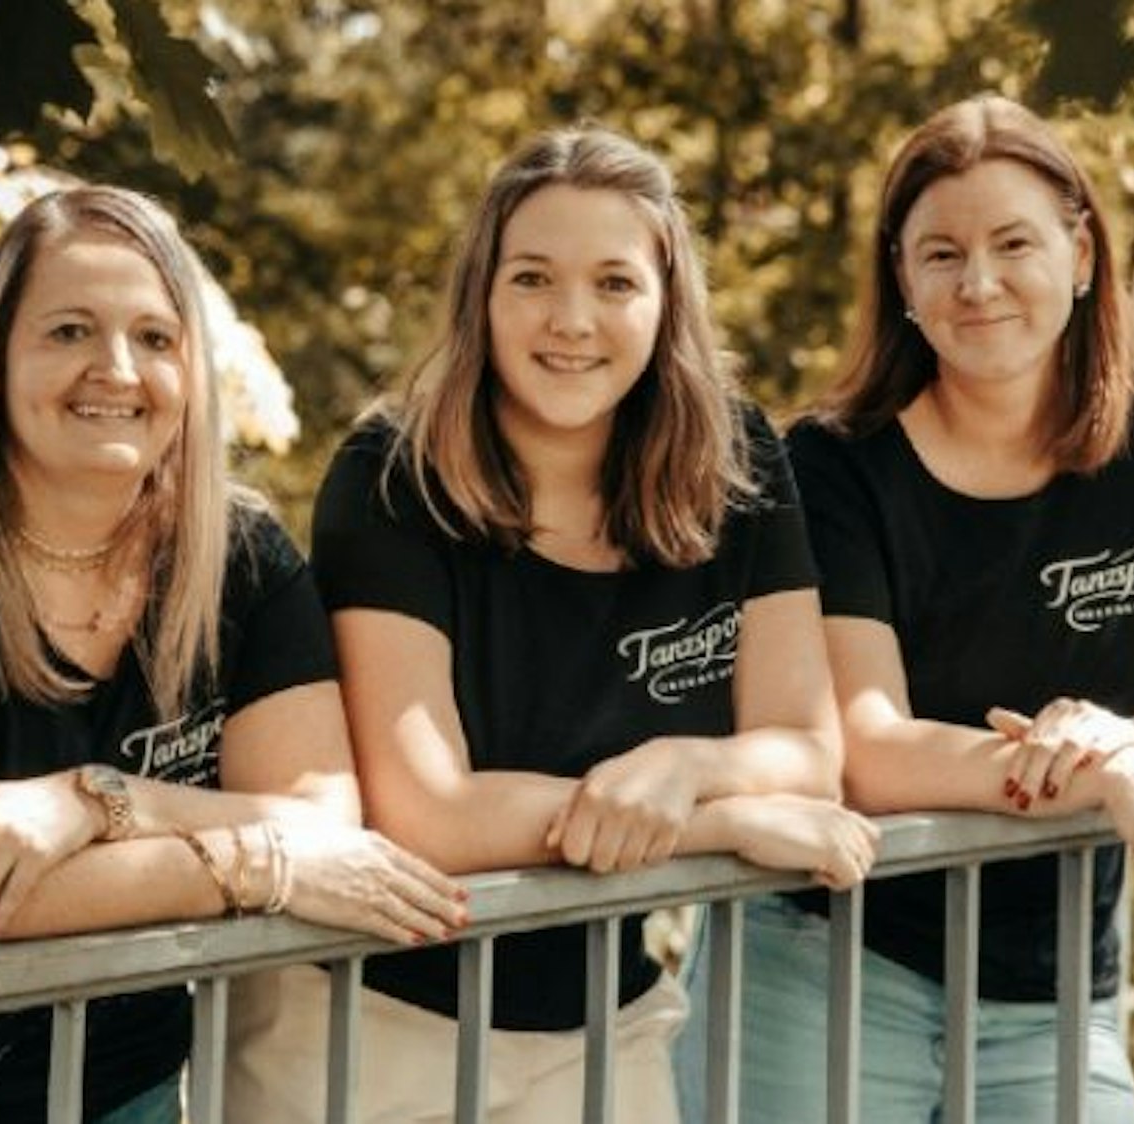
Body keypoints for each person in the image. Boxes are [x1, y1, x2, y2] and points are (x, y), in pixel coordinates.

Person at [0, 184, 466, 1124]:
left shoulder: (238, 558)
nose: (115, 369)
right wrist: (255, 864)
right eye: (69, 331)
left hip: (122, 1090)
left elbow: (324, 816)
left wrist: (98, 802)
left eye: (155, 338)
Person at [225, 125, 882, 1123]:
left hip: (598, 1023)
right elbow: (427, 813)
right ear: (481, 297)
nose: (570, 319)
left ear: (666, 306)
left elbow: (807, 750)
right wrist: (719, 821)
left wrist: (686, 766)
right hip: (371, 1020)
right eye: (531, 277)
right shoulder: (393, 474)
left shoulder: (734, 460)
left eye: (614, 283)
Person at [680, 94, 1134, 1122]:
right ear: (900, 278)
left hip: (1051, 985)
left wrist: (1126, 747)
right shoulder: (831, 465)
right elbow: (865, 749)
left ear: (1081, 251)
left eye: (1013, 242)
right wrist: (1102, 774)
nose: (979, 283)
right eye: (940, 254)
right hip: (822, 962)